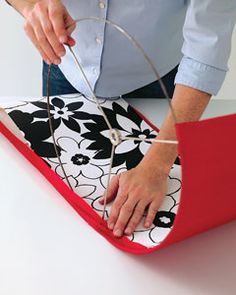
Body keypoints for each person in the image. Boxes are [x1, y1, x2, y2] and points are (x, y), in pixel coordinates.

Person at [7, 0, 236, 238]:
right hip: (66, 62)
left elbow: (207, 51)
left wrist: (157, 165)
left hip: (156, 80)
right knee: (53, 208)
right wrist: (31, 5)